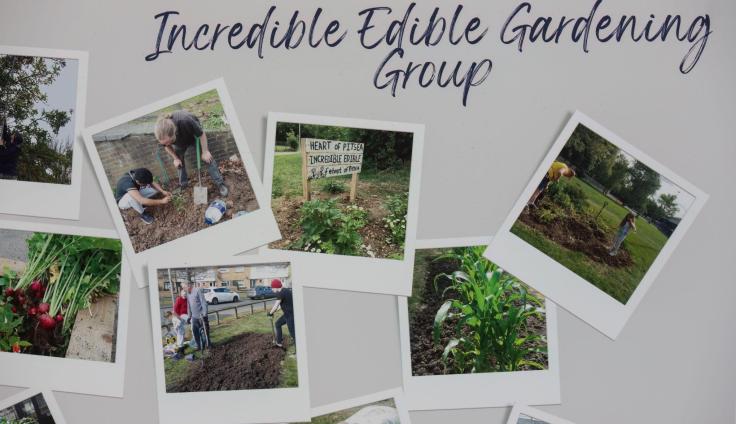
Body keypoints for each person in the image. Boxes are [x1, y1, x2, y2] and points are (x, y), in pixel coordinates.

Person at [154, 111, 229, 197]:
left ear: (174, 133)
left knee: (208, 159)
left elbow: (201, 134)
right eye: (165, 143)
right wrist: (176, 158)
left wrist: (205, 151)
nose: (167, 144)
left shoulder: (185, 120)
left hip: (194, 136)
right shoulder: (161, 133)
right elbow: (166, 146)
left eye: (169, 142)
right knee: (179, 164)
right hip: (180, 143)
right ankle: (184, 185)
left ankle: (220, 183)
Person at [268, 279, 295, 348]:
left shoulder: (280, 293)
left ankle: (298, 350)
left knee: (293, 333)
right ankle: (279, 342)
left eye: (272, 287)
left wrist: (270, 313)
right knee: (277, 324)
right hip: (287, 314)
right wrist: (274, 311)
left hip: (290, 315)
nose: (272, 289)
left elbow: (276, 304)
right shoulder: (285, 290)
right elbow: (280, 305)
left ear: (275, 287)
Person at [184, 281, 210, 350]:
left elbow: (203, 302)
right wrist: (189, 316)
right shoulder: (188, 293)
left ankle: (208, 345)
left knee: (205, 332)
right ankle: (199, 346)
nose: (184, 289)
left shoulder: (197, 290)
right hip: (194, 317)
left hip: (201, 316)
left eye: (185, 287)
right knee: (195, 332)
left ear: (189, 286)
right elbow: (188, 305)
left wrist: (204, 314)